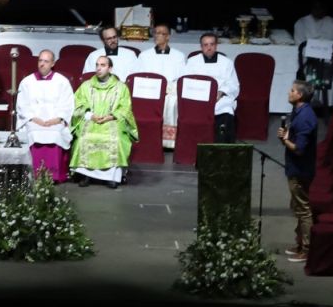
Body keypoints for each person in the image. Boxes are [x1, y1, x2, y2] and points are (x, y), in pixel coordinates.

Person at [70, 54, 136, 187]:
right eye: (97, 65)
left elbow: (125, 109)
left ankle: (112, 176)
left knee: (115, 137)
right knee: (84, 137)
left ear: (110, 68)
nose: (98, 68)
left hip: (112, 120)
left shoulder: (120, 87)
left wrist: (111, 116)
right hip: (90, 119)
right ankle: (86, 175)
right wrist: (89, 115)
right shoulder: (86, 86)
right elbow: (78, 104)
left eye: (103, 65)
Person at [14, 49, 75, 183]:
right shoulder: (27, 82)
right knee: (33, 132)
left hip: (55, 121)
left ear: (52, 63)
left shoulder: (62, 81)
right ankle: (34, 174)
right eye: (40, 60)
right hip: (34, 120)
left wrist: (57, 119)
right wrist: (35, 119)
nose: (42, 64)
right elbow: (22, 105)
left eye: (46, 61)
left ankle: (54, 175)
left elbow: (68, 104)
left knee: (56, 133)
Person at [279, 80, 318, 262]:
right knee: (297, 206)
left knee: (303, 209)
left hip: (300, 169)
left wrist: (284, 140)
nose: (289, 92)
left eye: (292, 90)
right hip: (295, 167)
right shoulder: (298, 112)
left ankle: (308, 249)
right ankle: (301, 241)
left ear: (300, 95)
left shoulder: (305, 118)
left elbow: (300, 149)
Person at [184, 34, 240, 144]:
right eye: (205, 45)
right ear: (201, 47)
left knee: (226, 110)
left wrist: (220, 92)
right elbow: (186, 81)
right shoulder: (192, 61)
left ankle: (222, 147)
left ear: (216, 46)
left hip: (219, 98)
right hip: (198, 97)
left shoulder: (226, 62)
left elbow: (233, 84)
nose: (209, 48)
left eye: (212, 44)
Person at [139, 22, 187, 150]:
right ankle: (150, 140)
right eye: (156, 33)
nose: (158, 36)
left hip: (171, 91)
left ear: (168, 37)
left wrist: (169, 89)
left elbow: (182, 78)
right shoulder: (145, 56)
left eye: (162, 33)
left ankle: (168, 143)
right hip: (150, 90)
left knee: (172, 102)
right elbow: (139, 76)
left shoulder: (178, 56)